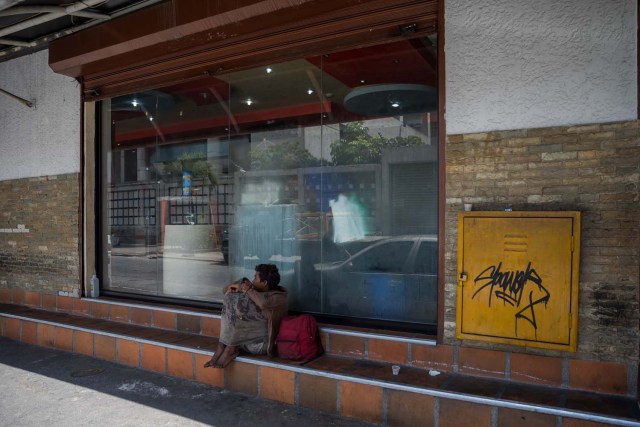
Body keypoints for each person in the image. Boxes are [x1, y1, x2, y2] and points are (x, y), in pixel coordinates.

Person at [204, 264, 288, 368]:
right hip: (243, 340)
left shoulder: (278, 297)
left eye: (255, 278)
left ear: (265, 283)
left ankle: (229, 348)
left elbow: (262, 303)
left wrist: (247, 290)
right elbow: (224, 290)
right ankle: (223, 345)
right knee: (230, 298)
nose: (253, 280)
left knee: (240, 307)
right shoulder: (253, 288)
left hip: (260, 344)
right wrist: (232, 288)